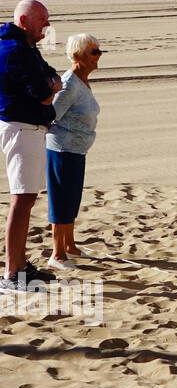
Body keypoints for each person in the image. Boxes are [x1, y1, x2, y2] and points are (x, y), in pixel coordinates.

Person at [0, 0, 61, 292]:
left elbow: (53, 76)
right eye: (42, 20)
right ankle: (12, 273)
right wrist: (49, 87)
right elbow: (42, 92)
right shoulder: (14, 51)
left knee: (27, 198)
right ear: (24, 21)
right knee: (21, 200)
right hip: (20, 127)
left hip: (30, 128)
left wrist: (50, 84)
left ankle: (21, 267)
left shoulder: (26, 48)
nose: (47, 26)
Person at [46, 34, 105, 271]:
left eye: (99, 51)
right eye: (94, 52)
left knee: (72, 199)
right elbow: (50, 116)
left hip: (77, 149)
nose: (98, 56)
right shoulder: (69, 84)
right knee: (61, 200)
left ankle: (69, 245)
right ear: (77, 56)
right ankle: (57, 254)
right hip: (63, 149)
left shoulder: (82, 81)